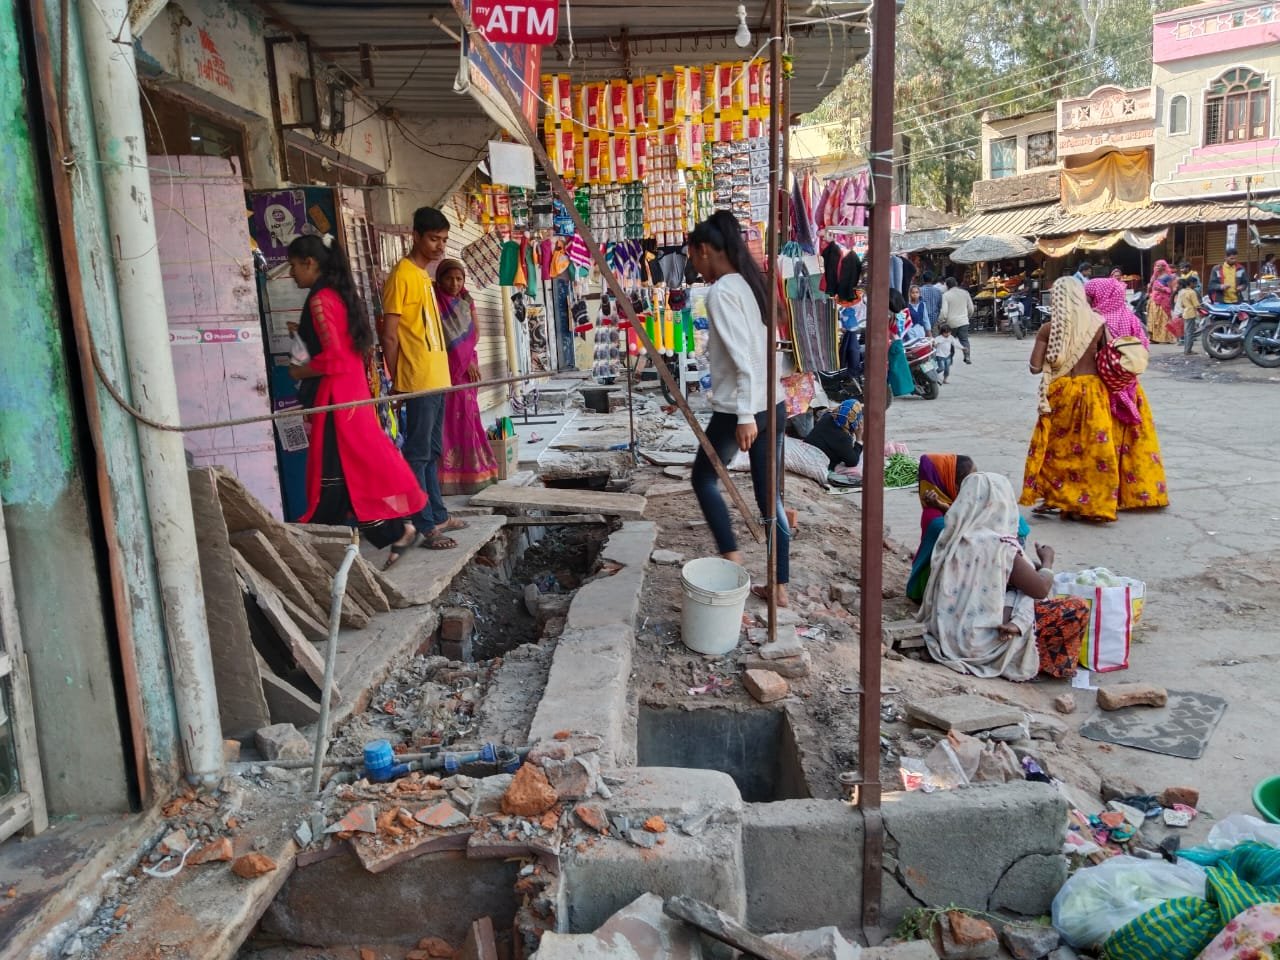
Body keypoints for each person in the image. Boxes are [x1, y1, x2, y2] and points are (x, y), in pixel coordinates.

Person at [286, 234, 426, 568]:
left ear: (310, 262)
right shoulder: (340, 295)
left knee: (332, 475)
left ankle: (325, 551)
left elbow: (333, 357)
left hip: (338, 398)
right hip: (351, 394)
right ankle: (395, 531)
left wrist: (299, 371)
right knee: (351, 470)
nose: (291, 275)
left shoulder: (320, 299)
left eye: (293, 266)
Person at [686, 211, 791, 608]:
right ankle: (778, 585)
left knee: (703, 479)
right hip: (772, 403)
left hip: (742, 410)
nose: (693, 266)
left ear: (707, 250)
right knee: (770, 499)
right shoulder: (748, 284)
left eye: (693, 257)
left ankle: (731, 559)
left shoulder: (722, 291)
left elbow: (743, 356)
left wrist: (745, 415)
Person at [919, 472, 1090, 681]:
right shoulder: (1001, 547)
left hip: (947, 635)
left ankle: (1021, 632)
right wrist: (1047, 560)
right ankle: (1049, 664)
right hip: (983, 643)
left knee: (1019, 596)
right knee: (1077, 607)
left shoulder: (953, 538)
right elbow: (1040, 588)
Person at [381, 206, 468, 550]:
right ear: (414, 235)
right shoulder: (401, 275)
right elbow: (389, 335)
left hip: (436, 378)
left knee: (431, 451)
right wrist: (396, 382)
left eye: (444, 240)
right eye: (433, 238)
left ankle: (438, 514)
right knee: (418, 454)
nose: (439, 246)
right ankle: (425, 525)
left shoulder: (423, 276)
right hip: (416, 380)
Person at [1019, 276, 1120, 523]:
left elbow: (1034, 367)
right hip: (1093, 392)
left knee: (1059, 451)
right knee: (1093, 449)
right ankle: (1093, 502)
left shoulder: (1048, 328)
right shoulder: (1098, 325)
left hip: (1060, 394)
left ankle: (1059, 497)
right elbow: (1110, 359)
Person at [1085, 277, 1169, 511]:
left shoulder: (1095, 321)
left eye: (1090, 297)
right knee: (1134, 441)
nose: (1089, 301)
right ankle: (1139, 493)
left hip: (1105, 388)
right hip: (1130, 387)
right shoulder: (1131, 318)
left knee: (1107, 442)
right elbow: (1143, 350)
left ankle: (1106, 495)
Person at [433, 259, 500, 496]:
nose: (454, 283)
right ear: (440, 279)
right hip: (444, 369)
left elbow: (476, 332)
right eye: (449, 278)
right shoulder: (433, 300)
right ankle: (450, 478)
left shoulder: (467, 300)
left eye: (459, 279)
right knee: (448, 420)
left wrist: (469, 360)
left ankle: (476, 473)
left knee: (468, 417)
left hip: (467, 368)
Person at [803, 399, 864, 472]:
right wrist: (859, 438)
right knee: (858, 470)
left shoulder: (828, 417)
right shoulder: (842, 436)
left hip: (808, 451)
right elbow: (852, 462)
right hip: (817, 461)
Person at [938, 277, 974, 364]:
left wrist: (941, 320)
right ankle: (967, 356)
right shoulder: (965, 293)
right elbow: (971, 308)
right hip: (963, 321)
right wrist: (967, 317)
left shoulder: (946, 295)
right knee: (964, 340)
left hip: (951, 323)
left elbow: (944, 311)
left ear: (946, 285)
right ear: (956, 283)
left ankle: (949, 358)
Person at [1145, 259, 1177, 344]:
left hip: (1163, 299)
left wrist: (1161, 289)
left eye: (1160, 265)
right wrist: (1149, 288)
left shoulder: (1167, 276)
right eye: (1156, 265)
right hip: (1154, 300)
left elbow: (1171, 290)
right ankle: (1154, 338)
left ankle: (1165, 338)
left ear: (1164, 267)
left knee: (1163, 319)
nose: (1157, 267)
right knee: (1153, 319)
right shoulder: (1154, 277)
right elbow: (1150, 288)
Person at [1174, 275, 1202, 354]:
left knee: (1186, 332)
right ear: (1191, 283)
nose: (1196, 285)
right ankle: (1188, 350)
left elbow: (1182, 304)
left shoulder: (1183, 292)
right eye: (1195, 283)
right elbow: (1196, 304)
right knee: (1190, 333)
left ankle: (1186, 349)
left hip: (1185, 313)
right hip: (1191, 313)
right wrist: (1201, 308)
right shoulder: (1192, 292)